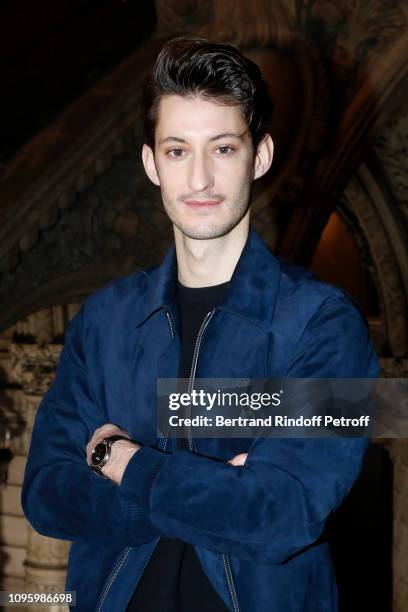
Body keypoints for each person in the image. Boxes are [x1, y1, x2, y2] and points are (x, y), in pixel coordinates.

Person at [21, 37, 378, 612]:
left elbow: (281, 515)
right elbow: (44, 497)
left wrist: (118, 460)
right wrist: (212, 490)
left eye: (224, 148)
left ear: (260, 156)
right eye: (178, 151)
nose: (202, 180)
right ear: (150, 163)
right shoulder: (106, 319)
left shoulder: (327, 325)